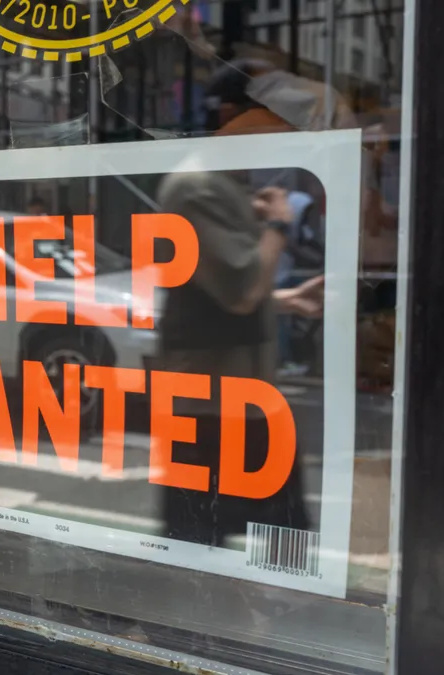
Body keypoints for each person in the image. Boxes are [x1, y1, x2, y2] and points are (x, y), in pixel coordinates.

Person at [155, 61, 324, 547]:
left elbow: (218, 292)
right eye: (270, 118)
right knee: (198, 537)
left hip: (240, 391)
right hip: (212, 398)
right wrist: (277, 223)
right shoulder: (197, 186)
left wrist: (287, 301)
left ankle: (266, 610)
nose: (281, 132)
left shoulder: (226, 185)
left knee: (277, 534)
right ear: (231, 116)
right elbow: (242, 287)